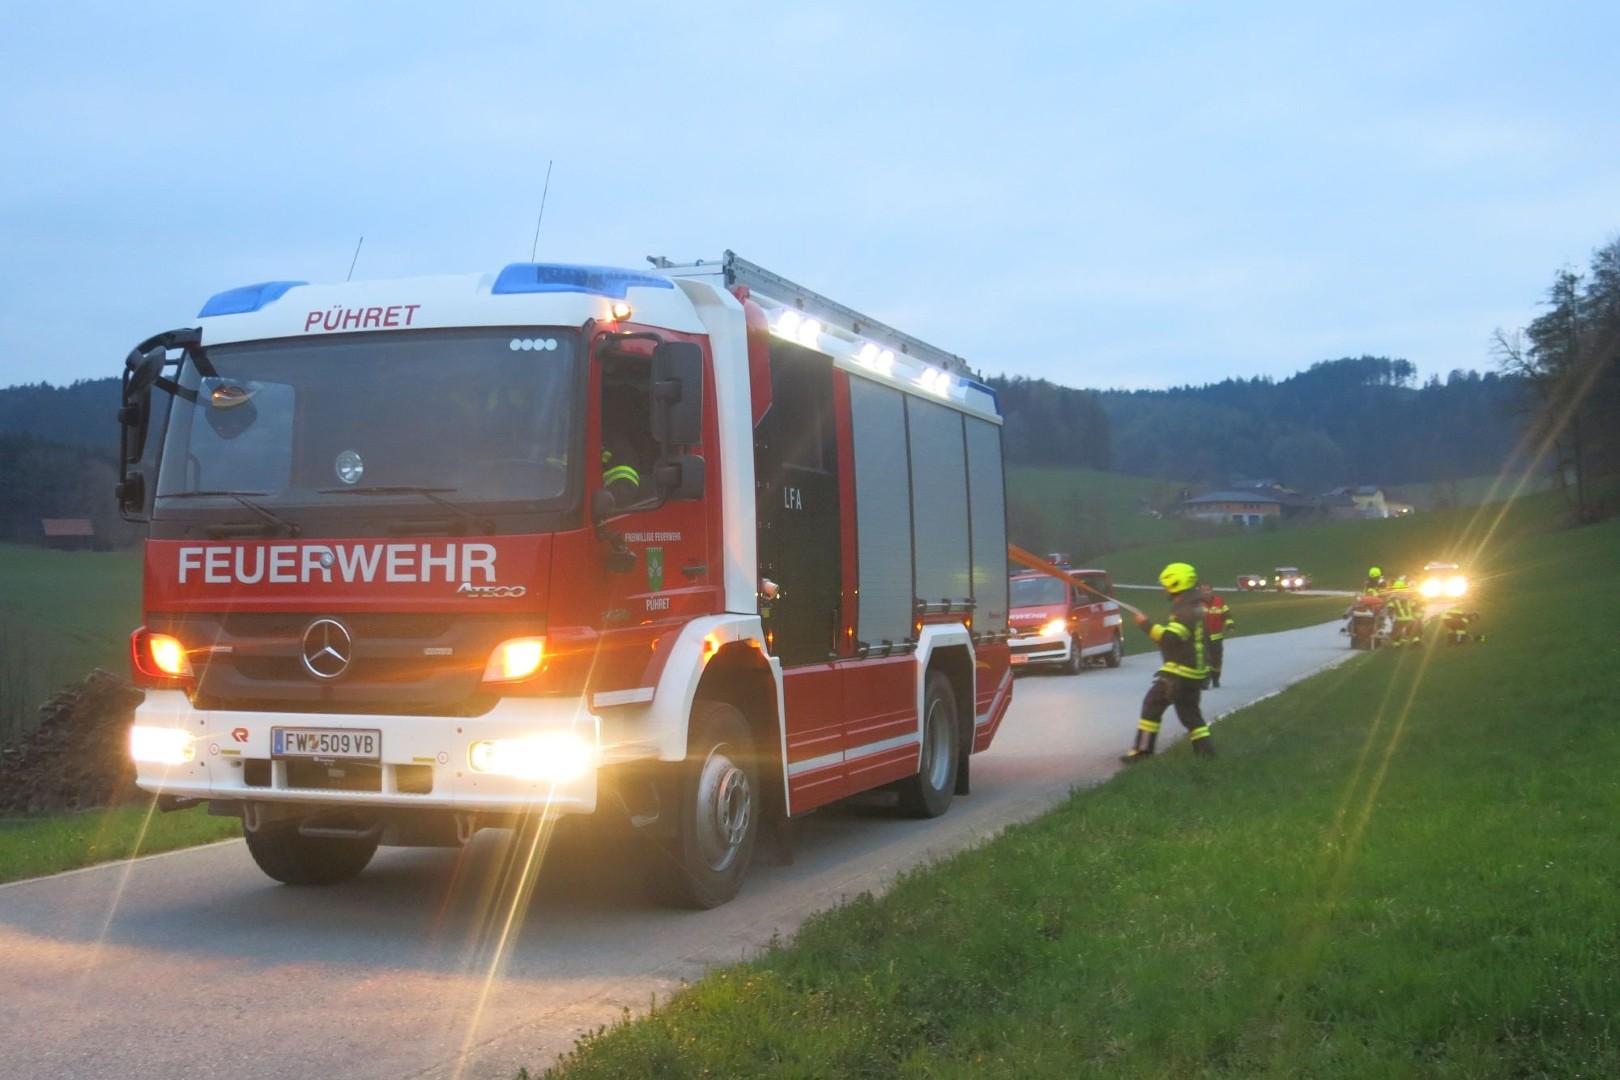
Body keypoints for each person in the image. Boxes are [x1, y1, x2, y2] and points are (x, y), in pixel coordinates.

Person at [1122, 562, 1214, 762]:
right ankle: (1206, 755)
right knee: (1190, 716)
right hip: (1191, 671)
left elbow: (1169, 639)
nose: (1164, 589)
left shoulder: (1186, 610)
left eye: (1166, 585)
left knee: (1152, 706)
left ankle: (1143, 752)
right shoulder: (1193, 606)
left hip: (1181, 672)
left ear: (1176, 584)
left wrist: (1145, 625)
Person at [1199, 581, 1235, 688]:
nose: (1206, 592)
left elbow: (1227, 616)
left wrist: (1230, 627)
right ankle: (1205, 681)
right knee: (1204, 659)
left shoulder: (1220, 602)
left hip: (1216, 637)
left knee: (1216, 660)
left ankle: (1215, 679)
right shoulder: (1196, 603)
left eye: (1208, 590)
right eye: (1203, 590)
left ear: (1212, 590)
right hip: (1201, 636)